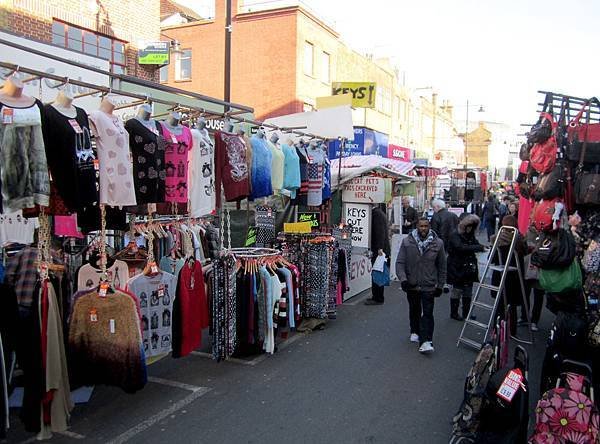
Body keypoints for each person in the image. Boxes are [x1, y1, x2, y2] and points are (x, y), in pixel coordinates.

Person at [396, 217, 447, 354]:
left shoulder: (438, 243)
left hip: (429, 284)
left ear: (429, 226)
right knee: (414, 309)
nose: (423, 228)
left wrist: (440, 285)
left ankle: (426, 340)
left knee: (428, 313)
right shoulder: (407, 242)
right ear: (417, 226)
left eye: (426, 226)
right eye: (421, 226)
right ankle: (415, 330)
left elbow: (442, 266)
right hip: (412, 283)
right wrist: (403, 279)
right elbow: (400, 262)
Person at [490, 215, 527, 336]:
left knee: (500, 305)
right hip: (516, 277)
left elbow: (492, 258)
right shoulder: (520, 239)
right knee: (512, 305)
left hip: (501, 275)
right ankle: (512, 330)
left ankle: (497, 331)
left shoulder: (498, 239)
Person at [447, 214, 485, 321]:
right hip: (457, 265)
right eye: (469, 226)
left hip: (468, 265)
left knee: (468, 289)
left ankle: (466, 312)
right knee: (457, 289)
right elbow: (460, 247)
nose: (470, 229)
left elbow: (473, 244)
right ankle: (454, 313)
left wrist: (480, 247)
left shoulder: (469, 234)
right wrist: (479, 247)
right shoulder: (455, 234)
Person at [365, 204, 391, 306]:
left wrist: (380, 248)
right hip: (380, 249)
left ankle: (378, 298)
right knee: (378, 272)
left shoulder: (376, 214)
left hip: (379, 250)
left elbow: (380, 232)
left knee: (377, 273)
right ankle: (376, 296)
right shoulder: (379, 213)